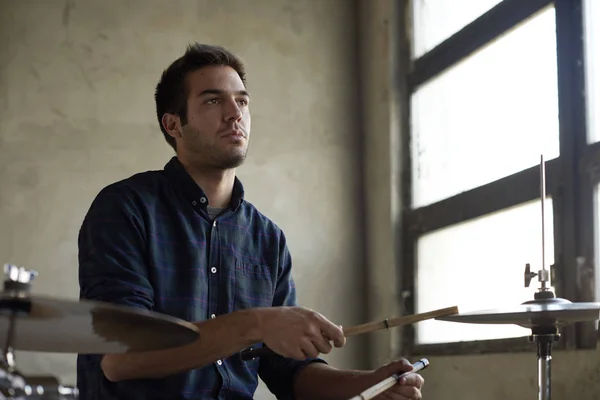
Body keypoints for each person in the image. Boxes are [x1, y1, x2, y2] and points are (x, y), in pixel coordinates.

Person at [76, 43, 424, 400]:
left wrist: (367, 384)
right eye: (213, 101)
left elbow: (288, 371)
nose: (234, 114)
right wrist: (256, 323)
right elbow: (118, 358)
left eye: (241, 101)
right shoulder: (125, 208)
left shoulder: (267, 238)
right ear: (173, 123)